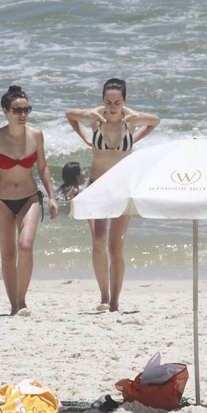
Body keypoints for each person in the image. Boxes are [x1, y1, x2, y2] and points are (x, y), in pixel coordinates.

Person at [65, 78, 160, 312]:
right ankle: (104, 297)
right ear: (103, 100)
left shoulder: (132, 119)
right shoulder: (95, 118)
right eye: (108, 102)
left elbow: (155, 121)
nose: (112, 106)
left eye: (117, 102)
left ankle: (115, 301)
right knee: (98, 242)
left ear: (125, 99)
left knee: (115, 248)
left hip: (122, 189)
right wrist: (87, 138)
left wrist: (135, 138)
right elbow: (70, 115)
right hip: (97, 185)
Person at [0, 85, 59, 316]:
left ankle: (22, 300)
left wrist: (52, 197)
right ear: (5, 111)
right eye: (17, 110)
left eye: (26, 110)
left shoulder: (36, 135)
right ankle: (13, 305)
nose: (23, 115)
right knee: (8, 255)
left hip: (29, 198)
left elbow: (42, 168)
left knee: (25, 246)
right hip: (0, 201)